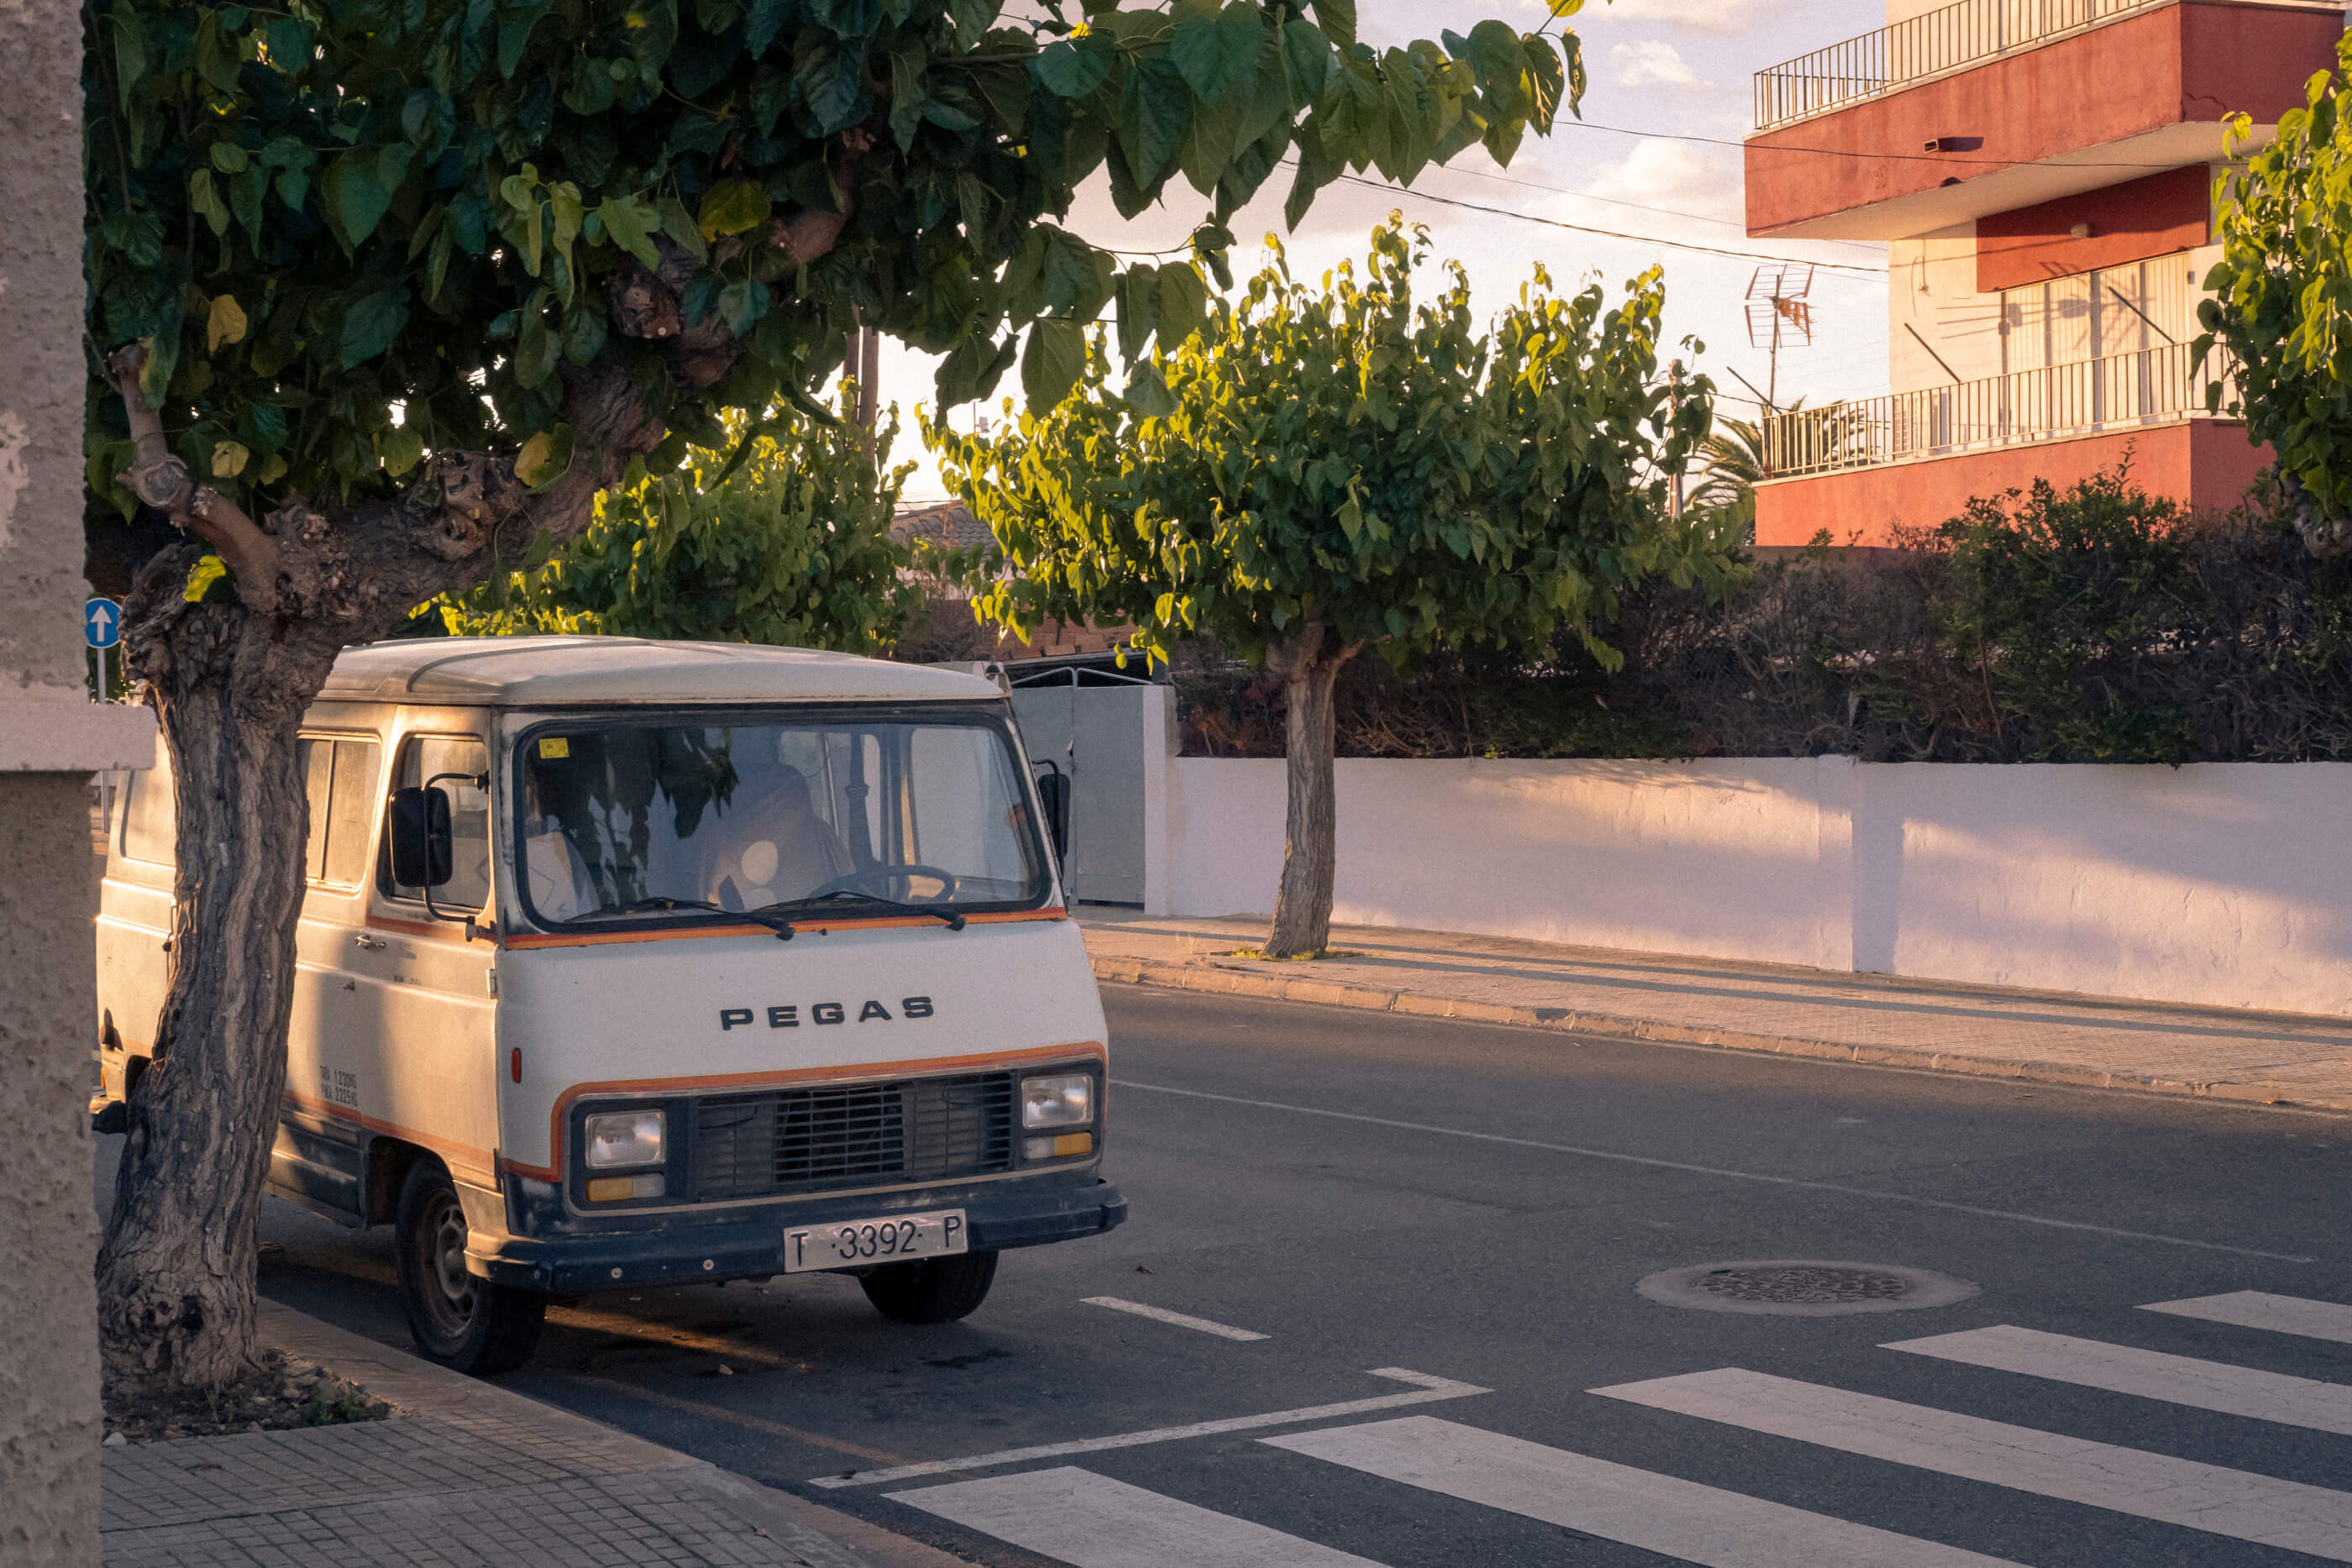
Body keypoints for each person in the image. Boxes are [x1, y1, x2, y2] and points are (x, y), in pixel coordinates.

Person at [704, 764, 852, 910]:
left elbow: (851, 896)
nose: (785, 813)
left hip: (827, 925)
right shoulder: (721, 849)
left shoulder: (821, 835)